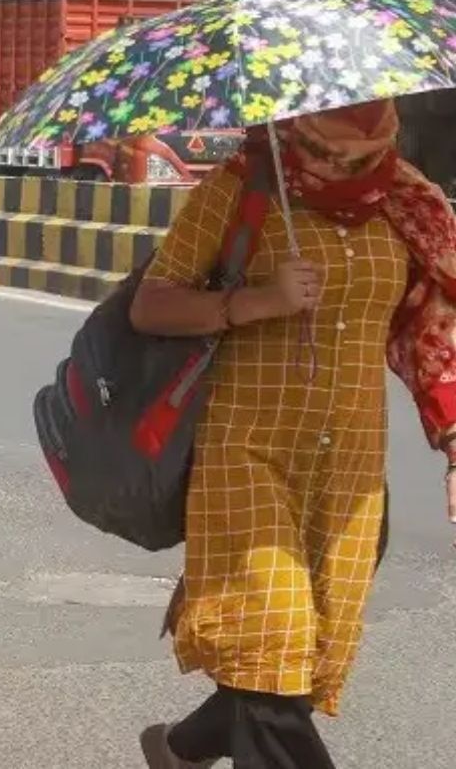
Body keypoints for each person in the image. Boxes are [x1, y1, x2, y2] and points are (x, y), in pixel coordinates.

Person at [130, 100, 456, 769]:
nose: (353, 142)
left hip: (351, 473)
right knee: (274, 644)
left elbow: (435, 329)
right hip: (248, 453)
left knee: (292, 664)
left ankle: (182, 750)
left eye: (369, 124)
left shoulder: (404, 199)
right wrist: (255, 302)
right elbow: (151, 304)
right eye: (337, 128)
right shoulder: (245, 185)